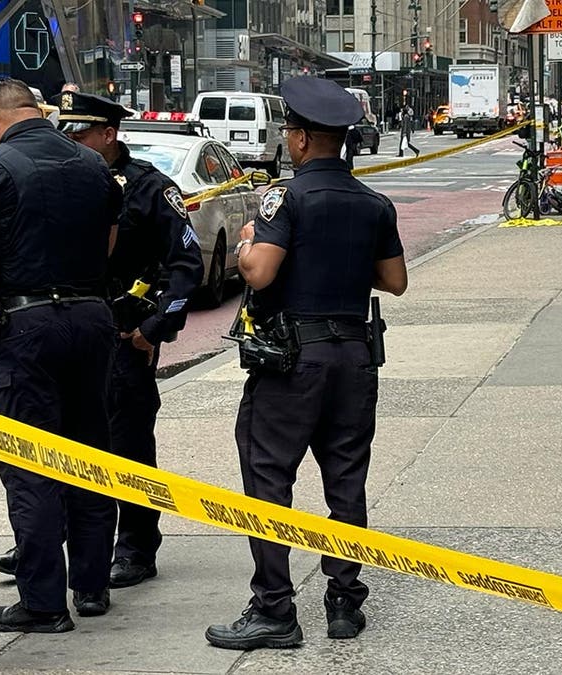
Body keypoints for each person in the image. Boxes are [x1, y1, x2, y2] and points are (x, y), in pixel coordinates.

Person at [205, 75, 407, 650]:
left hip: (293, 360)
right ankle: (344, 600)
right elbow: (395, 281)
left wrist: (247, 243)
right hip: (354, 356)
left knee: (268, 476)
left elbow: (261, 272)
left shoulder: (285, 197)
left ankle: (274, 609)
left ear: (298, 140)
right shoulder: (373, 202)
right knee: (346, 478)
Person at [0, 78, 122, 632]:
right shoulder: (94, 166)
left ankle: (42, 602)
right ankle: (91, 586)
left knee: (31, 464)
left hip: (26, 327)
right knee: (90, 453)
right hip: (92, 320)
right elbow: (106, 248)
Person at [54, 91, 205, 588]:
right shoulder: (59, 180)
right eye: (66, 133)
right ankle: (47, 541)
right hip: (66, 332)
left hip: (123, 337)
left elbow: (187, 266)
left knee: (128, 445)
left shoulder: (149, 189)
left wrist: (155, 327)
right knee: (58, 439)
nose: (70, 142)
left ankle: (137, 547)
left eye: (80, 134)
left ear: (108, 135)